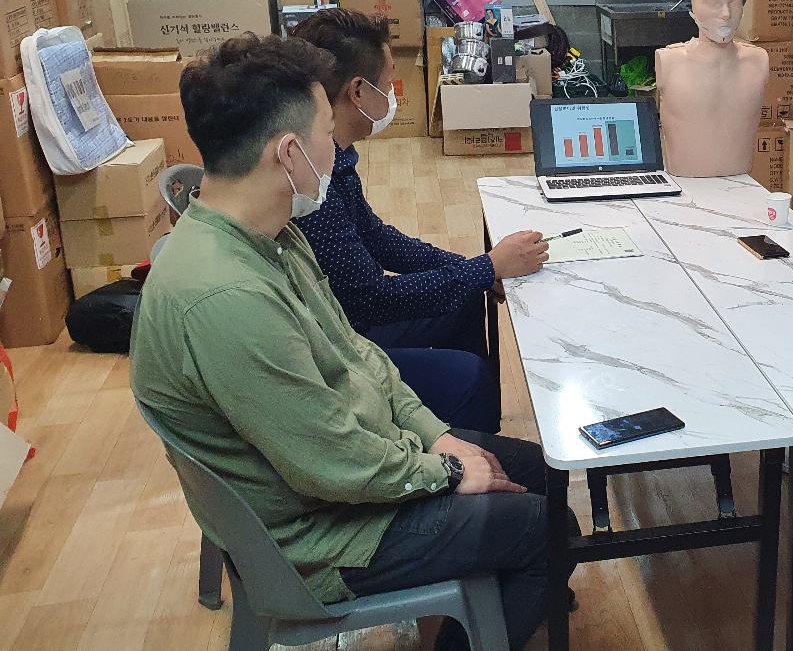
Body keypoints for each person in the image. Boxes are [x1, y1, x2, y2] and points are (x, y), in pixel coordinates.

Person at [130, 34, 569, 649]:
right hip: (322, 536)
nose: (334, 149)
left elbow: (360, 356)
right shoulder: (227, 297)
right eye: (325, 132)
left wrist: (435, 435)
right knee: (551, 530)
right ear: (289, 152)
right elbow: (331, 464)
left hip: (355, 470)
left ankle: (487, 602)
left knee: (543, 475)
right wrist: (443, 470)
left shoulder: (272, 235)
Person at [288, 9, 547, 360]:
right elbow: (372, 300)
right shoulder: (314, 181)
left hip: (351, 316)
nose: (392, 94)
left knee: (466, 294)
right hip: (341, 338)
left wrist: (480, 266)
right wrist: (485, 268)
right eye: (388, 84)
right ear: (358, 91)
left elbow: (376, 238)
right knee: (467, 373)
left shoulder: (336, 156)